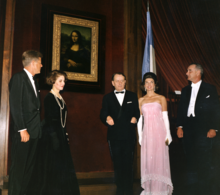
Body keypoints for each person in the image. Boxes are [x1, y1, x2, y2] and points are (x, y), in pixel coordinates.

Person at [176, 63, 220, 195]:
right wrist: (179, 126)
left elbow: (216, 110)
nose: (186, 73)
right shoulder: (184, 90)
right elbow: (181, 110)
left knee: (204, 160)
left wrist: (214, 128)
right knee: (190, 159)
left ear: (198, 73)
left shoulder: (210, 89)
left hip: (203, 129)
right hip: (188, 128)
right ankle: (192, 190)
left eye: (189, 70)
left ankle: (204, 190)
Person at [39, 70, 80, 195]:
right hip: (52, 136)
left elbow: (62, 120)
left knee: (63, 166)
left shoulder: (60, 97)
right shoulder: (49, 97)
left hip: (60, 135)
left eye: (64, 81)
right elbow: (50, 120)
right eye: (60, 81)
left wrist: (64, 134)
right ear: (53, 81)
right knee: (54, 166)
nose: (63, 83)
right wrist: (54, 138)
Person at [8, 50, 43, 195]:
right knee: (19, 170)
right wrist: (22, 129)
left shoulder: (34, 80)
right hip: (24, 132)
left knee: (29, 170)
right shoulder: (19, 78)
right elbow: (16, 106)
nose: (42, 65)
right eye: (40, 62)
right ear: (33, 62)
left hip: (34, 132)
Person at [100, 72, 140, 195]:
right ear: (112, 83)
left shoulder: (133, 96)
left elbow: (137, 112)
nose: (120, 83)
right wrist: (106, 118)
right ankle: (120, 188)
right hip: (114, 136)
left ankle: (128, 189)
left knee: (128, 163)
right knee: (117, 163)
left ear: (125, 81)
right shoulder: (107, 97)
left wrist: (135, 117)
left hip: (128, 135)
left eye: (122, 80)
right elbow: (102, 113)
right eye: (117, 81)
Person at [137, 72, 173, 195]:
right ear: (144, 85)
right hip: (147, 134)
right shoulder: (140, 100)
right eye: (146, 82)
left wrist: (168, 134)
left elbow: (165, 117)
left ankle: (160, 190)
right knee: (149, 160)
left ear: (155, 84)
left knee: (159, 160)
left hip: (159, 133)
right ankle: (150, 189)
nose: (149, 84)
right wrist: (140, 136)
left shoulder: (161, 98)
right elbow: (139, 120)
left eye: (151, 82)